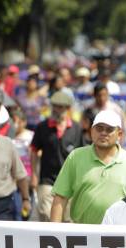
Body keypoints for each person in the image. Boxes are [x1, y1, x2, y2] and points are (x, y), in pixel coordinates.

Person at [50, 110, 126, 224]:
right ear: (91, 131)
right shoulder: (76, 157)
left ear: (119, 134)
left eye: (109, 129)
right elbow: (60, 198)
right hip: (82, 234)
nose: (103, 133)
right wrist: (53, 231)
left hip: (119, 235)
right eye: (99, 128)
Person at [30, 91, 83, 221]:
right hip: (47, 180)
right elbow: (34, 151)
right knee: (46, 215)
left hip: (71, 181)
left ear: (68, 108)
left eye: (61, 107)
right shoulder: (42, 127)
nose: (57, 110)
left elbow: (82, 154)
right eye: (55, 106)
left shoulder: (76, 128)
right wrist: (34, 176)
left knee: (69, 219)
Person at [10, 108, 34, 220]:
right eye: (13, 121)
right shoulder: (8, 137)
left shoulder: (31, 136)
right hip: (12, 178)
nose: (15, 124)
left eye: (18, 121)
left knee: (27, 206)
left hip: (27, 176)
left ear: (24, 122)